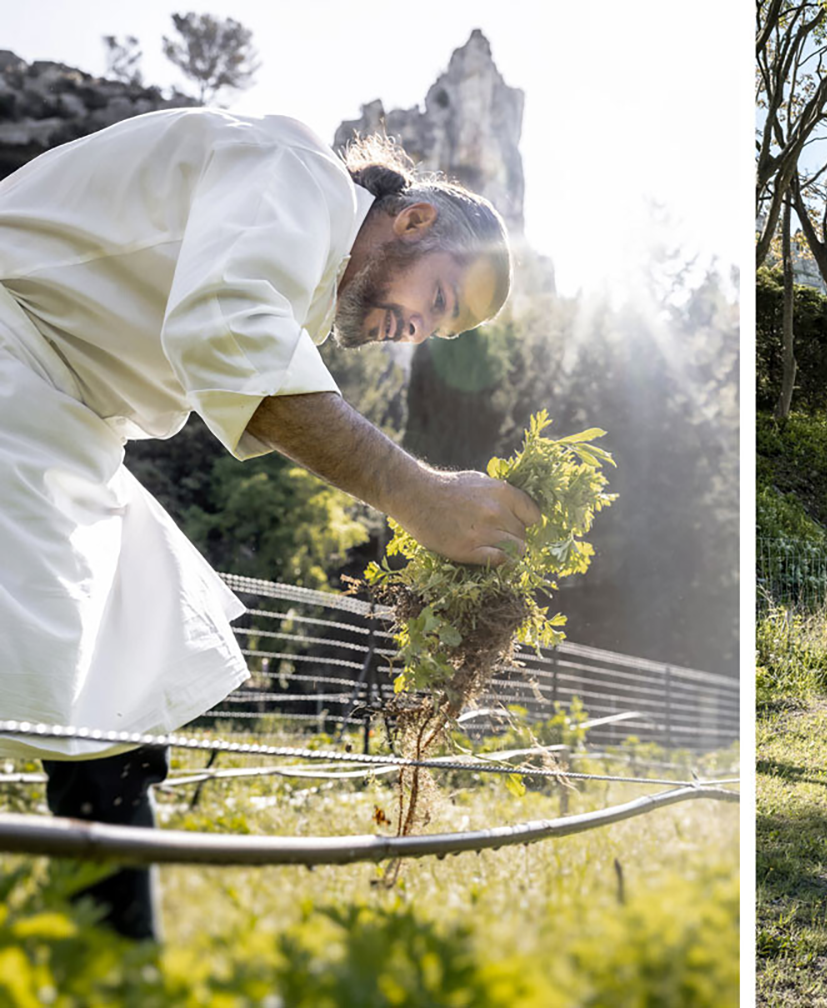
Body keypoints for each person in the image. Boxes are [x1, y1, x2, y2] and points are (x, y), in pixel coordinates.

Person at [0, 107, 539, 940]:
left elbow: (245, 346)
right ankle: (113, 963)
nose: (417, 331)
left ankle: (110, 963)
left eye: (437, 328)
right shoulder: (294, 171)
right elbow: (228, 331)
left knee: (124, 691)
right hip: (16, 363)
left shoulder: (301, 270)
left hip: (66, 421)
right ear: (413, 220)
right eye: (435, 298)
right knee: (98, 695)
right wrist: (418, 493)